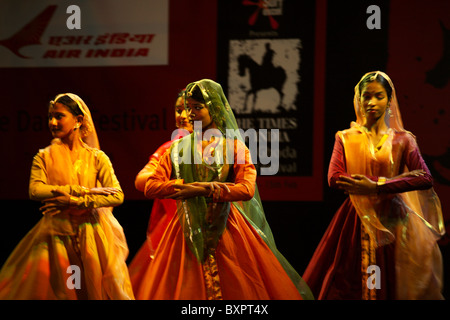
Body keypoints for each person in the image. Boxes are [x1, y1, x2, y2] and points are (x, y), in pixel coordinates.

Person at [134, 79, 313, 300]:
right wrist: (183, 187)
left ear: (216, 108)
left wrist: (207, 189)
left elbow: (247, 189)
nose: (190, 114)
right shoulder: (177, 149)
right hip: (186, 228)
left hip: (227, 227)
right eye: (187, 108)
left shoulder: (234, 147)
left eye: (197, 108)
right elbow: (150, 187)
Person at [303, 71, 445, 300]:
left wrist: (377, 185)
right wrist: (367, 188)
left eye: (378, 96)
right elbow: (333, 177)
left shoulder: (402, 139)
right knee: (350, 280)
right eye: (366, 96)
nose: (371, 102)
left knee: (391, 279)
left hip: (394, 219)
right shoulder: (346, 137)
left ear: (389, 100)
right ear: (357, 99)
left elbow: (425, 178)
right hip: (357, 217)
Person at [0, 93, 134, 300]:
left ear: (78, 121)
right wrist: (83, 190)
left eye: (59, 116)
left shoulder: (97, 158)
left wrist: (73, 201)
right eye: (50, 117)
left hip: (92, 235)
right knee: (66, 291)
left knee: (93, 290)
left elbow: (117, 195)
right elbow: (35, 190)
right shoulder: (43, 157)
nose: (52, 122)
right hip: (57, 235)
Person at [128, 89, 193, 293]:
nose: (182, 116)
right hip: (174, 231)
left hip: (212, 229)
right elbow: (141, 180)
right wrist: (176, 183)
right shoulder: (169, 149)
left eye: (190, 110)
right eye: (178, 110)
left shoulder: (218, 149)